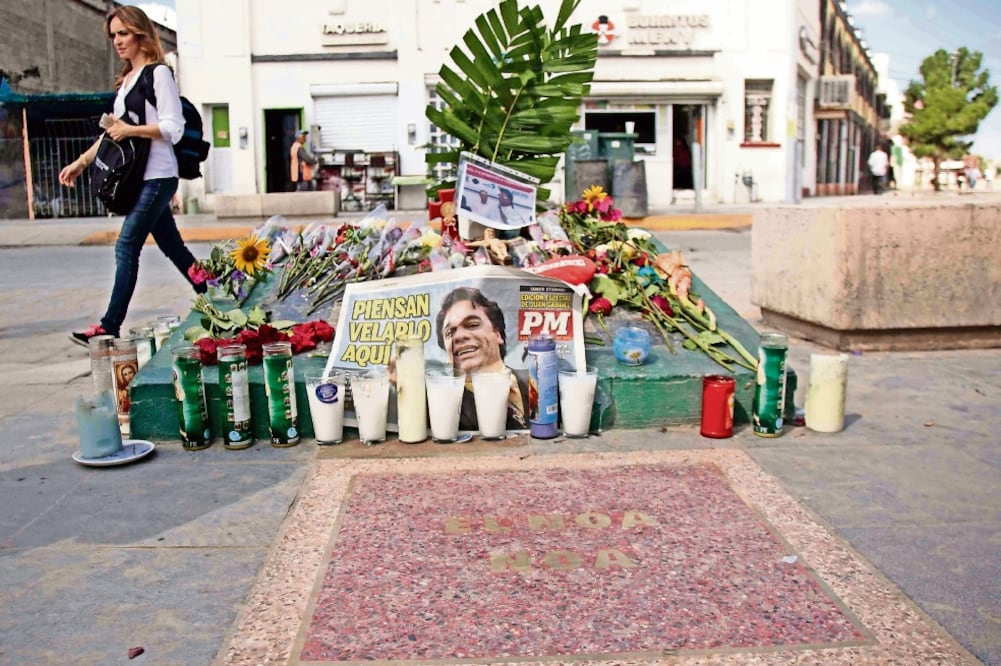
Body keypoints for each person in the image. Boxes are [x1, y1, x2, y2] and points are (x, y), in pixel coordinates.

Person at [59, 5, 206, 347]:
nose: (117, 41)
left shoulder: (158, 74)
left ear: (140, 34)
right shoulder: (126, 82)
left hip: (159, 176)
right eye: (113, 35)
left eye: (123, 33)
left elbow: (173, 127)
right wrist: (82, 162)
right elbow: (113, 132)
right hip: (141, 178)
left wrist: (132, 130)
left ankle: (110, 325)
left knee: (126, 245)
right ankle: (217, 292)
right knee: (175, 249)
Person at [435, 287, 529, 431]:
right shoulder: (440, 402)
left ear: (497, 334)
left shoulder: (536, 382)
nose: (459, 336)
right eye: (450, 332)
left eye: (472, 325)